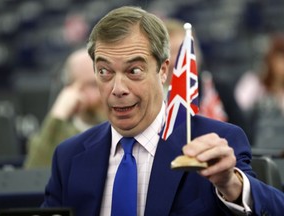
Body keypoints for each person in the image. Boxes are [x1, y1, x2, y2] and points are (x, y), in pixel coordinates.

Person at [42, 6, 284, 216]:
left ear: (163, 70)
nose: (117, 89)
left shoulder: (215, 142)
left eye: (134, 71)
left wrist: (232, 184)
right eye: (104, 71)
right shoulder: (69, 156)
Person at [23, 48, 106, 168]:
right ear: (71, 89)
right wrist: (58, 116)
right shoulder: (58, 135)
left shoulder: (127, 129)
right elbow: (33, 177)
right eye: (93, 85)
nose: (104, 93)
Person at [235, 33, 284, 157]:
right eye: (281, 57)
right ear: (271, 59)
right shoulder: (253, 82)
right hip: (258, 152)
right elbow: (238, 116)